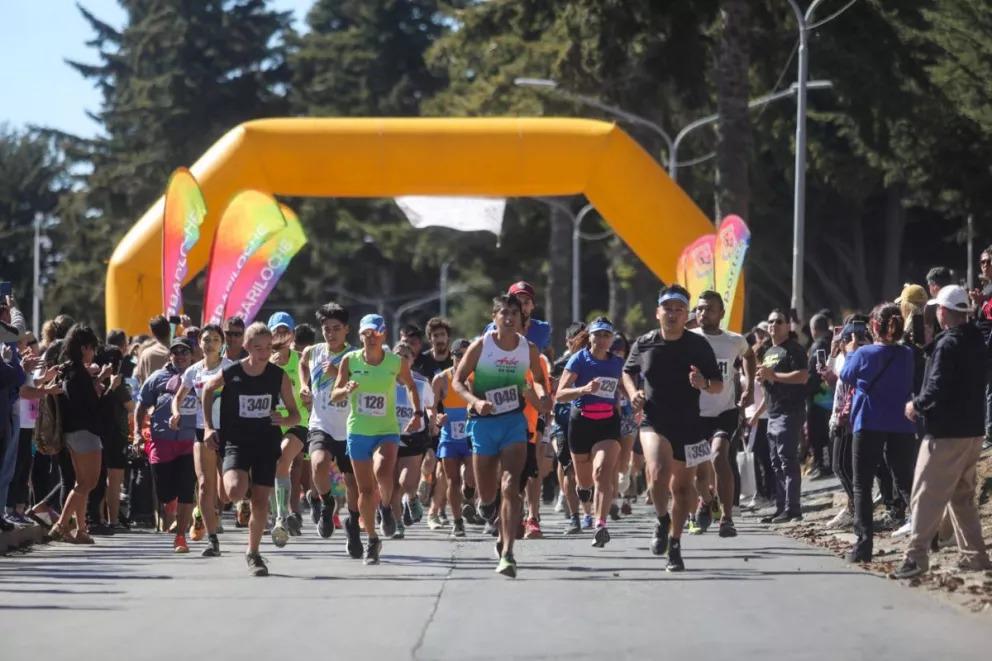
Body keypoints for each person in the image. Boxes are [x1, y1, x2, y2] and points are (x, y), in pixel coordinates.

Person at [622, 284, 723, 572]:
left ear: (686, 314)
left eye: (679, 309)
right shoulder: (645, 342)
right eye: (668, 308)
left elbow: (717, 384)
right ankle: (662, 519)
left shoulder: (698, 345)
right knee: (657, 474)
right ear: (658, 312)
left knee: (681, 489)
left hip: (689, 423)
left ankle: (675, 544)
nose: (673, 314)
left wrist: (703, 383)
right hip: (654, 421)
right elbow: (627, 372)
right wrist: (633, 394)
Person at [893, 285, 991, 578]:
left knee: (924, 493)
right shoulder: (978, 341)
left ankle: (916, 557)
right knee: (961, 496)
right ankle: (975, 557)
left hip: (945, 432)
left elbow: (936, 387)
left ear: (944, 312)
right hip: (973, 431)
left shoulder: (947, 345)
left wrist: (916, 405)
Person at [454, 294, 550, 577]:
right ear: (494, 317)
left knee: (510, 486)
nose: (509, 318)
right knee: (487, 497)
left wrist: (542, 396)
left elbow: (540, 380)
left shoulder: (528, 348)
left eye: (514, 314)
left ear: (521, 319)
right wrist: (475, 401)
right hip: (484, 423)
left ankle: (508, 553)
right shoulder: (481, 346)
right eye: (503, 313)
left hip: (513, 422)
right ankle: (487, 507)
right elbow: (458, 381)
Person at [202, 322, 299, 576]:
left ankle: (253, 553)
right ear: (246, 347)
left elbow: (295, 414)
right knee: (233, 491)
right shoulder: (233, 371)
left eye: (268, 348)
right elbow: (207, 389)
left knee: (260, 501)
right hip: (236, 441)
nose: (264, 353)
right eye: (258, 348)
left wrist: (284, 419)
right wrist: (209, 427)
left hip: (266, 442)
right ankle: (240, 498)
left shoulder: (278, 376)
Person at [331, 314, 421, 565]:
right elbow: (334, 395)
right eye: (365, 333)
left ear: (383, 335)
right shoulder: (349, 361)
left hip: (386, 429)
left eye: (374, 333)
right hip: (358, 430)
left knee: (382, 472)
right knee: (365, 489)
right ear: (359, 336)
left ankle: (385, 508)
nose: (369, 337)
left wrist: (418, 413)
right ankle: (372, 539)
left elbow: (412, 387)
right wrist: (345, 389)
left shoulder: (395, 362)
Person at [839, 304, 916, 562]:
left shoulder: (863, 353)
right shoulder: (907, 354)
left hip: (868, 422)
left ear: (873, 326)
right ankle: (928, 535)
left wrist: (849, 353)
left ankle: (863, 545)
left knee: (862, 484)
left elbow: (846, 376)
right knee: (905, 480)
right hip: (901, 424)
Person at [555, 317, 625, 547]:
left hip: (608, 424)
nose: (602, 339)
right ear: (590, 337)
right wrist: (584, 389)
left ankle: (600, 524)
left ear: (611, 338)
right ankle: (584, 496)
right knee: (584, 481)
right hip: (581, 423)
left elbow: (624, 388)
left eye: (607, 335)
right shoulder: (579, 360)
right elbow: (560, 394)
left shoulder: (616, 362)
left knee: (602, 473)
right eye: (598, 335)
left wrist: (635, 402)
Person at [691, 291, 755, 538]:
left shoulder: (733, 340)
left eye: (708, 309)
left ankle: (727, 519)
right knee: (699, 469)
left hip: (724, 411)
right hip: (694, 413)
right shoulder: (689, 339)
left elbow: (749, 355)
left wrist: (748, 385)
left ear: (721, 313)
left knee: (719, 456)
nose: (703, 314)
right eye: (699, 309)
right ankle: (707, 501)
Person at [300, 303, 361, 554]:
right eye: (326, 329)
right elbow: (303, 362)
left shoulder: (355, 356)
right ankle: (325, 503)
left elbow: (363, 383)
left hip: (349, 426)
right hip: (321, 422)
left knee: (352, 482)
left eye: (336, 328)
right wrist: (305, 385)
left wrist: (339, 374)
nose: (331, 334)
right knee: (318, 462)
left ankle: (354, 524)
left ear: (347, 329)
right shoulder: (314, 351)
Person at [171, 324, 231, 556]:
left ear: (222, 343)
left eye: (215, 339)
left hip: (228, 431)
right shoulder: (193, 371)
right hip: (201, 430)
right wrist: (176, 412)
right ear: (199, 343)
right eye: (206, 339)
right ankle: (212, 539)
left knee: (226, 494)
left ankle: (214, 510)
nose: (210, 343)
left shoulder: (230, 368)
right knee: (205, 485)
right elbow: (179, 397)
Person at [136, 337, 198, 552]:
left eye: (185, 352)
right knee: (165, 492)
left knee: (186, 489)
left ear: (191, 355)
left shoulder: (199, 376)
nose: (180, 356)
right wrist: (137, 432)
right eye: (176, 352)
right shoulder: (157, 378)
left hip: (190, 442)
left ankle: (181, 536)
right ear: (170, 355)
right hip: (161, 442)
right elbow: (141, 405)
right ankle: (171, 509)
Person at [49, 325, 107, 544]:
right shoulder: (78, 374)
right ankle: (62, 524)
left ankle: (81, 529)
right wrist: (99, 389)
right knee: (88, 482)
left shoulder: (68, 370)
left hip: (72, 432)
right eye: (91, 348)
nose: (93, 353)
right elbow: (86, 405)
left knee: (81, 483)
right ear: (84, 348)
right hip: (85, 432)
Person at [756, 308, 811, 524]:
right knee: (775, 462)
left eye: (779, 321)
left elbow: (803, 376)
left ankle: (793, 509)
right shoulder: (770, 351)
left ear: (788, 326)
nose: (773, 325)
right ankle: (781, 508)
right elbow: (770, 377)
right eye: (770, 322)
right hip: (773, 412)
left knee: (787, 460)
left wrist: (774, 375)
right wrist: (765, 378)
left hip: (790, 411)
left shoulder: (794, 350)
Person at [267, 312, 310, 547]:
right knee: (272, 468)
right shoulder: (264, 362)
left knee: (283, 460)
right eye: (277, 332)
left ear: (292, 335)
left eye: (286, 331)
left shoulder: (301, 360)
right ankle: (279, 514)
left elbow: (312, 387)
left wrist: (310, 396)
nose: (282, 336)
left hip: (297, 422)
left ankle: (281, 517)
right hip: (271, 423)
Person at [390, 341, 436, 538]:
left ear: (412, 360)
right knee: (391, 485)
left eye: (405, 356)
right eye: (397, 356)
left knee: (406, 481)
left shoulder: (420, 382)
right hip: (389, 435)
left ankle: (412, 497)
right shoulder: (384, 381)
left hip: (413, 436)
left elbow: (431, 405)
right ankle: (398, 523)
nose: (401, 359)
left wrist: (433, 419)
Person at [433, 338, 476, 538]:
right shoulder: (441, 379)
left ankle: (470, 493)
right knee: (452, 480)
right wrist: (436, 418)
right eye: (459, 355)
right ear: (452, 356)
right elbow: (430, 408)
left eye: (467, 355)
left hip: (471, 433)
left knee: (471, 477)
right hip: (449, 435)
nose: (462, 358)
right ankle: (458, 521)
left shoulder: (476, 378)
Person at [485, 282, 552, 356]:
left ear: (533, 305)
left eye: (526, 302)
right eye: (518, 303)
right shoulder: (492, 329)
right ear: (507, 305)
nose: (522, 307)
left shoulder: (543, 329)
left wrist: (550, 366)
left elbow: (548, 352)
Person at [806, 312, 834, 479]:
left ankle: (823, 465)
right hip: (827, 394)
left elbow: (815, 372)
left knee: (818, 433)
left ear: (814, 329)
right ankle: (824, 463)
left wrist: (807, 388)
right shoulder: (832, 342)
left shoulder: (818, 346)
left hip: (818, 396)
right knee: (824, 432)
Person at [134, 315, 172, 385]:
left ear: (152, 332)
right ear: (169, 329)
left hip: (149, 394)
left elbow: (138, 376)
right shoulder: (180, 353)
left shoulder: (145, 354)